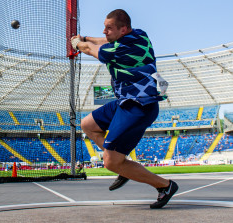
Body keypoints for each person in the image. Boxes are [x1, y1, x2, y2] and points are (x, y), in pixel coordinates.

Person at [71, 9, 178, 209]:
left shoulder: (121, 51)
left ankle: (165, 185)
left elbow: (92, 50)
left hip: (138, 105)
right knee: (88, 125)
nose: (104, 31)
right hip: (125, 101)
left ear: (123, 29)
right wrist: (84, 37)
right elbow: (105, 41)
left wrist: (77, 43)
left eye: (108, 28)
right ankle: (123, 164)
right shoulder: (139, 34)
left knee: (110, 163)